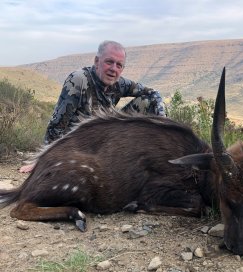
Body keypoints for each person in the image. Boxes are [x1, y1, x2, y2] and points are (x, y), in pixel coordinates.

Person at [19, 40, 166, 173]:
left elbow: (154, 94)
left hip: (104, 140)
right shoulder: (78, 80)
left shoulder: (120, 83)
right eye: (109, 62)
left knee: (148, 100)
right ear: (97, 61)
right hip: (76, 145)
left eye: (119, 65)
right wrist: (43, 161)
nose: (113, 69)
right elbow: (57, 125)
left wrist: (163, 125)